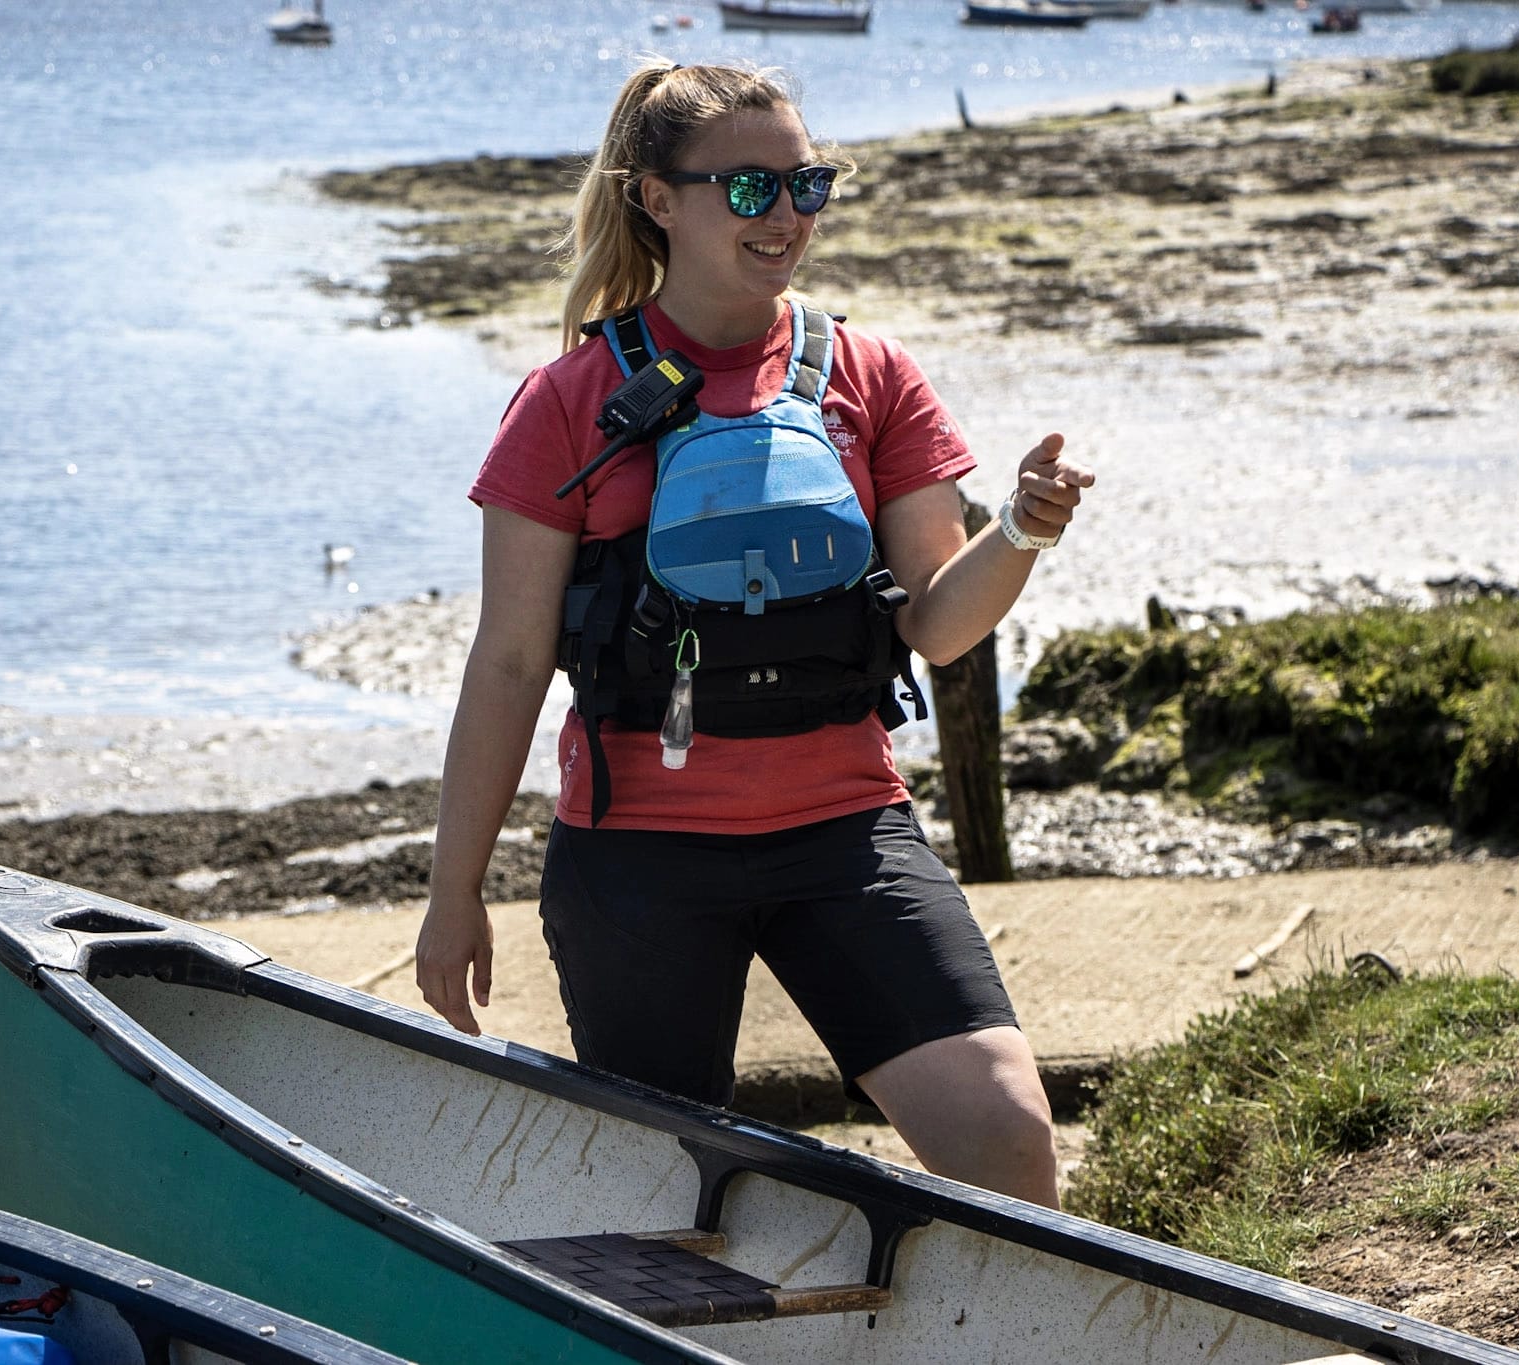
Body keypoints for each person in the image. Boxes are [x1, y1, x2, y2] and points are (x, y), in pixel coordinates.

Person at [415, 59, 1093, 1209]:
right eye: (747, 189)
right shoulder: (566, 401)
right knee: (666, 1202)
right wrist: (453, 889)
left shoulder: (866, 372)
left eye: (806, 184)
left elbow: (936, 624)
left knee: (1007, 1137)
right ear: (656, 198)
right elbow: (512, 663)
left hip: (843, 833)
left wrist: (1021, 530)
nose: (785, 216)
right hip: (638, 857)